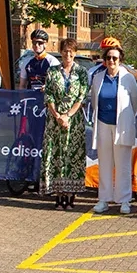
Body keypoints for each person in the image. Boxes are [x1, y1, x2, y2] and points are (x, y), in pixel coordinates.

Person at [89, 46, 137, 214]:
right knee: (104, 162)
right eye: (109, 58)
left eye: (115, 58)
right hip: (103, 124)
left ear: (120, 60)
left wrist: (125, 120)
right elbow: (94, 101)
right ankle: (103, 199)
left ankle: (124, 200)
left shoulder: (128, 78)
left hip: (122, 126)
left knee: (123, 164)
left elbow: (135, 103)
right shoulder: (98, 78)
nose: (111, 61)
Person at [43, 38, 91, 210]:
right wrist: (57, 115)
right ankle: (58, 196)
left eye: (71, 51)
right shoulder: (53, 71)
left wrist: (68, 115)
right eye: (65, 51)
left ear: (75, 53)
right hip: (54, 121)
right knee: (56, 156)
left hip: (74, 121)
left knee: (72, 156)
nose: (68, 54)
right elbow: (48, 95)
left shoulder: (82, 72)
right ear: (61, 52)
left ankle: (70, 196)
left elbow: (81, 96)